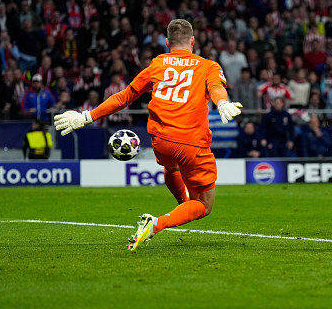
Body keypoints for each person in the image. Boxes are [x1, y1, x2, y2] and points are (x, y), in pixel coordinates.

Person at [54, 19, 243, 251]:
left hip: (161, 140)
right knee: (203, 205)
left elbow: (124, 96)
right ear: (193, 41)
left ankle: (182, 206)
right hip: (191, 142)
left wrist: (86, 116)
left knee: (171, 168)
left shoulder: (157, 63)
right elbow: (216, 87)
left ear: (167, 43)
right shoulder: (208, 66)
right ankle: (157, 223)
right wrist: (222, 103)